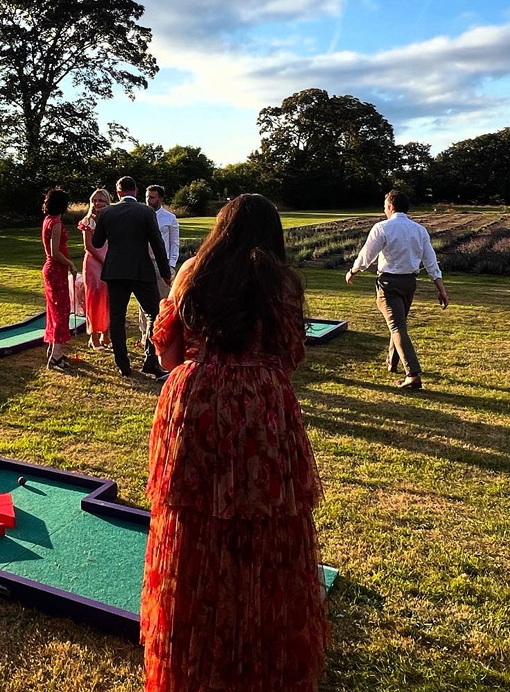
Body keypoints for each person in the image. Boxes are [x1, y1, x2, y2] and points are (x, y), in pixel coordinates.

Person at [142, 193, 328, 692]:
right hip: (262, 406)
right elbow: (291, 355)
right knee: (265, 523)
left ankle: (194, 658)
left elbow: (166, 355)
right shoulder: (282, 283)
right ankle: (261, 655)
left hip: (194, 401)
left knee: (193, 522)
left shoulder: (190, 277)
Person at [346, 189, 449, 391]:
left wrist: (353, 271)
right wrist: (441, 289)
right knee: (398, 324)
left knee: (396, 327)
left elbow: (367, 256)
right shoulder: (420, 230)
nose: (384, 210)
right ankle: (392, 363)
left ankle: (412, 374)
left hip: (388, 284)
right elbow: (430, 261)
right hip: (409, 283)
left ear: (391, 207)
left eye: (385, 206)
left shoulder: (382, 227)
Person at [91, 176, 171, 378]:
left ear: (118, 193)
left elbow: (98, 242)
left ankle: (123, 365)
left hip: (115, 271)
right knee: (154, 313)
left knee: (117, 317)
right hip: (140, 270)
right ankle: (151, 360)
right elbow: (157, 243)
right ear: (135, 191)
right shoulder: (146, 211)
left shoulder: (107, 212)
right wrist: (165, 273)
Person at [138, 184, 180, 342]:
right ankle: (145, 335)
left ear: (160, 199)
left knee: (163, 301)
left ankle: (161, 334)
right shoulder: (140, 215)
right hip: (143, 263)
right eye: (147, 197)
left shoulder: (170, 218)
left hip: (162, 264)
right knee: (144, 301)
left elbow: (174, 243)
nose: (148, 200)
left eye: (152, 197)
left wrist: (171, 265)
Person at [41, 188, 77, 371]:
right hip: (55, 270)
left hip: (52, 270)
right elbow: (55, 253)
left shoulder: (48, 220)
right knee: (61, 311)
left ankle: (53, 350)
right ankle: (56, 356)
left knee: (55, 309)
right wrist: (70, 263)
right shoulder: (55, 224)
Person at [78, 189, 113, 351]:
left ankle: (105, 334)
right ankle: (93, 336)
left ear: (107, 202)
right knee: (93, 299)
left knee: (108, 299)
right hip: (93, 263)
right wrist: (104, 261)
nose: (98, 203)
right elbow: (88, 246)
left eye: (101, 201)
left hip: (110, 262)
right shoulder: (87, 221)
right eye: (95, 201)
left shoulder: (112, 219)